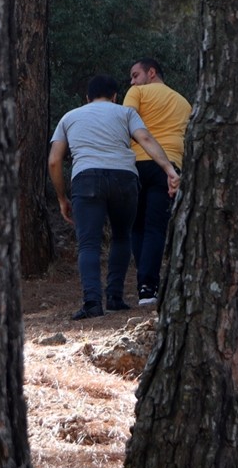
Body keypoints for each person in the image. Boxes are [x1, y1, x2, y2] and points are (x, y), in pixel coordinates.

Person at [49, 75, 181, 320]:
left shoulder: (69, 117)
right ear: (115, 96)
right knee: (122, 236)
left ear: (87, 98)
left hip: (86, 179)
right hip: (124, 178)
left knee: (88, 244)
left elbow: (54, 160)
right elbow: (145, 139)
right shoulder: (125, 113)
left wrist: (61, 197)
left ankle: (92, 303)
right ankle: (115, 298)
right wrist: (169, 169)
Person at [124, 57, 192, 305]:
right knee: (155, 227)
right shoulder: (184, 103)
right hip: (169, 166)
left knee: (136, 226)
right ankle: (147, 288)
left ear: (151, 72)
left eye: (135, 75)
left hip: (136, 163)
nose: (132, 82)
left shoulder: (137, 93)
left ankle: (144, 284)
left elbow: (125, 122)